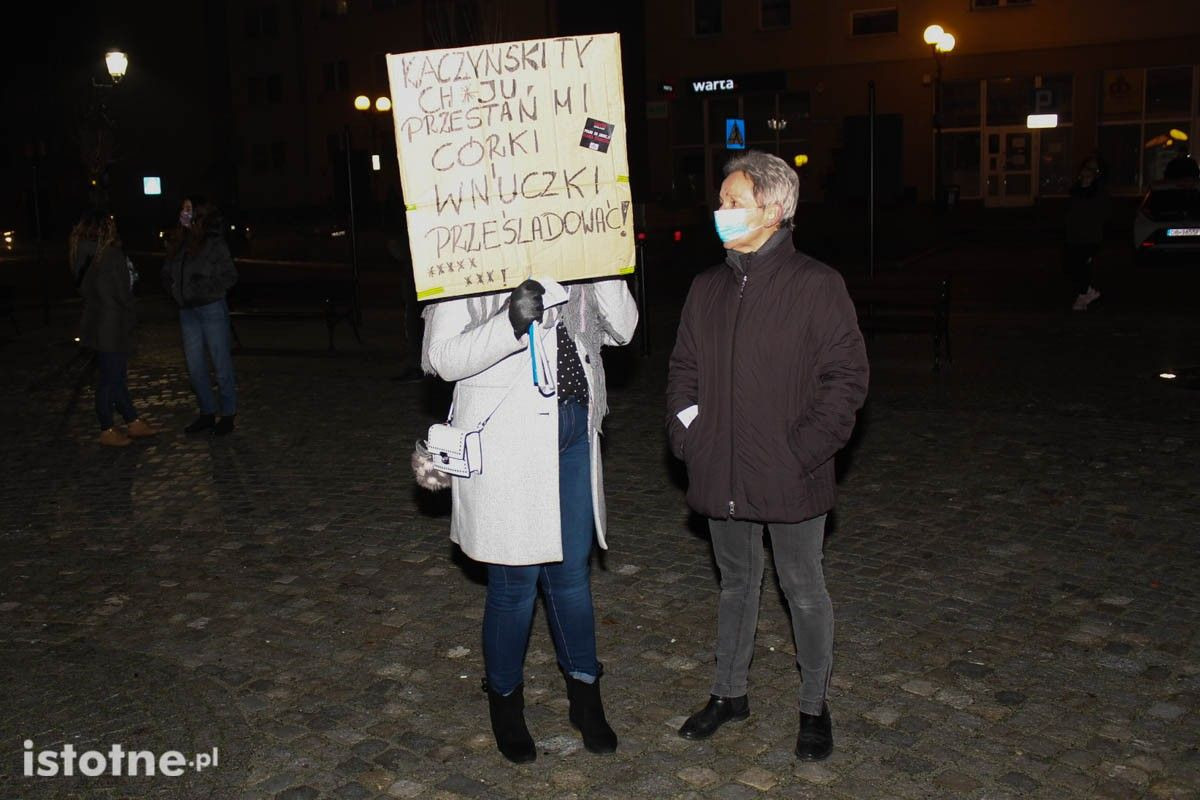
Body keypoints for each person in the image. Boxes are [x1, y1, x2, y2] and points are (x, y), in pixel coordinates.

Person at [666, 150, 868, 761]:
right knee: (736, 584)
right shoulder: (707, 288)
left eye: (734, 201)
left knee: (803, 588)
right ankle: (729, 693)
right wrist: (692, 435)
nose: (720, 211)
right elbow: (683, 372)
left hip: (790, 474)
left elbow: (846, 378)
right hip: (720, 468)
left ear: (774, 209)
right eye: (722, 200)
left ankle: (813, 706)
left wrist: (800, 451)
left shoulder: (816, 284)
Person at [422, 275, 638, 763]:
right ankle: (505, 704)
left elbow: (624, 329)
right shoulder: (474, 252)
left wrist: (602, 266)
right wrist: (509, 322)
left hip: (574, 432)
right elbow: (443, 357)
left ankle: (586, 697)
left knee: (571, 578)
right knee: (514, 583)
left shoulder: (577, 252)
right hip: (506, 441)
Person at [70, 209, 159, 446]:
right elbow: (122, 293)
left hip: (97, 322)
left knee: (115, 375)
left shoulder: (83, 255)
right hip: (113, 324)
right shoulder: (110, 255)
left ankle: (132, 420)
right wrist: (135, 309)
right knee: (110, 378)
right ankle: (106, 427)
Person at [162, 197, 239, 434]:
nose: (184, 216)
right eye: (182, 211)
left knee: (220, 362)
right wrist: (175, 290)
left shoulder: (213, 243)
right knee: (195, 366)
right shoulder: (180, 244)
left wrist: (202, 288)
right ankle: (207, 411)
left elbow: (229, 275)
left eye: (189, 212)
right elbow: (167, 272)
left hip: (210, 308)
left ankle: (227, 413)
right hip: (188, 311)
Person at [1064, 155, 1110, 312]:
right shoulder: (1076, 189)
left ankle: (1084, 295)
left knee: (1081, 264)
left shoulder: (1098, 191)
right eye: (1086, 168)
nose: (1087, 172)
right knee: (1072, 266)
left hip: (1090, 236)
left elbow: (1100, 214)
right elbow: (1070, 211)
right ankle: (1085, 295)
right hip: (1073, 235)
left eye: (1092, 169)